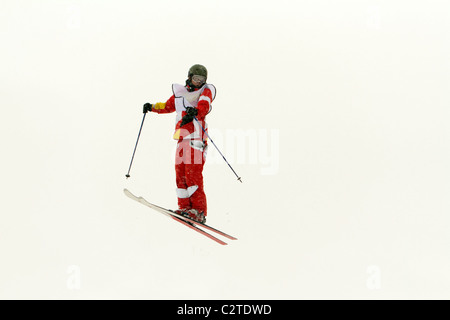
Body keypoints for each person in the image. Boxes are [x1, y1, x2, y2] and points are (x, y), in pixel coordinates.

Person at [143, 64, 216, 224]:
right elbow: (167, 106)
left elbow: (205, 105)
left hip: (196, 138)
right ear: (190, 77)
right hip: (182, 138)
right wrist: (152, 107)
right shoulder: (181, 93)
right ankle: (184, 208)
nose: (198, 82)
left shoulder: (205, 91)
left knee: (193, 174)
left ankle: (198, 211)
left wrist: (195, 111)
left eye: (201, 80)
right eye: (196, 79)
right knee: (181, 173)